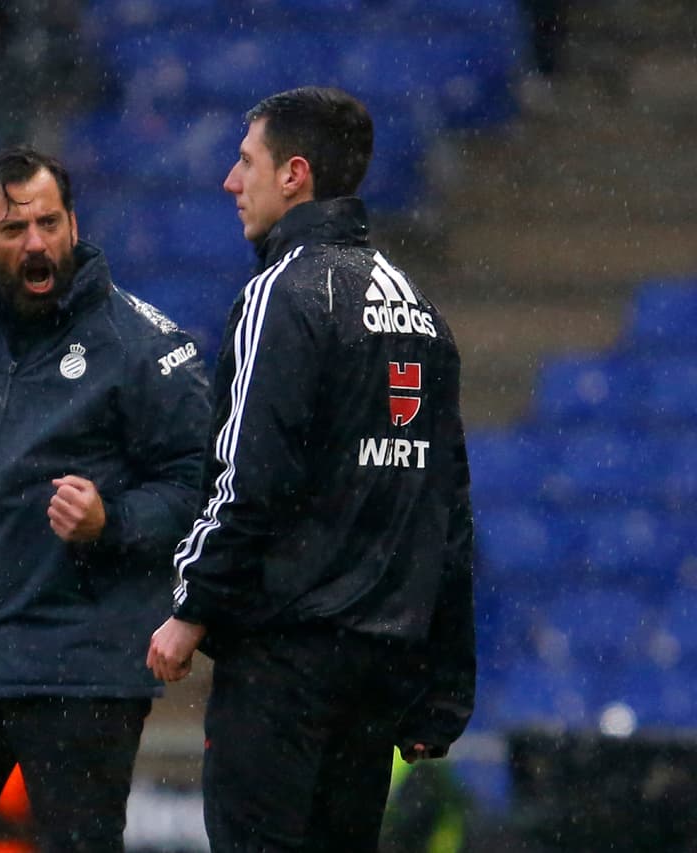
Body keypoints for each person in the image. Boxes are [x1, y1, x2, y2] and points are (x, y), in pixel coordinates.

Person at [146, 87, 476, 852]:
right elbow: (446, 511)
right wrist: (444, 688)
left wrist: (191, 604)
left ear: (294, 175)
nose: (232, 181)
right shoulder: (422, 311)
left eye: (246, 161)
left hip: (285, 662)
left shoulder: (282, 293)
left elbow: (249, 476)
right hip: (377, 665)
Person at [0, 145, 211, 851]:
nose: (37, 243)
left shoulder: (143, 345)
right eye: (15, 229)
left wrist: (110, 521)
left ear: (74, 224)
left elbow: (202, 490)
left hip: (82, 658)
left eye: (50, 224)